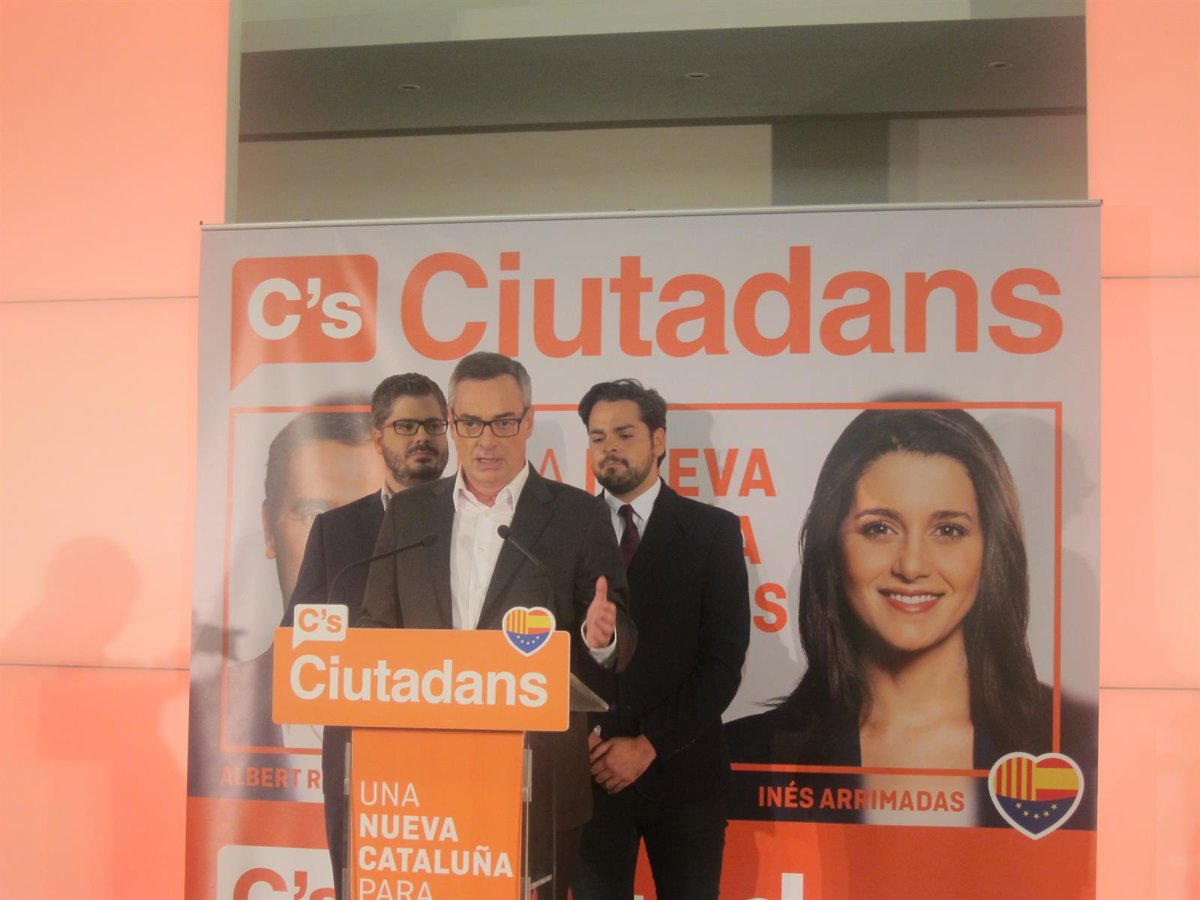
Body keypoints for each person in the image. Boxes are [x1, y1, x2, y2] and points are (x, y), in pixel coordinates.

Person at [359, 352, 636, 900]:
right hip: (424, 776)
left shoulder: (577, 515)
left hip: (538, 777)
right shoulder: (409, 514)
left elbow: (620, 629)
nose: (487, 440)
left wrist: (601, 637)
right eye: (471, 423)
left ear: (528, 422)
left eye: (504, 422)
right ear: (453, 425)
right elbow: (376, 623)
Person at [725, 407, 1065, 770]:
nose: (912, 566)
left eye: (948, 530)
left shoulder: (1071, 737)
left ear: (992, 549)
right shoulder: (745, 754)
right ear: (834, 548)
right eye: (880, 529)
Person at [572, 379, 749, 900]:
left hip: (685, 776)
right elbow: (544, 646)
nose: (609, 447)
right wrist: (574, 739)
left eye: (624, 434)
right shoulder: (564, 532)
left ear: (659, 440)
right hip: (588, 774)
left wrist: (648, 745)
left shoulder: (713, 532)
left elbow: (723, 663)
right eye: (598, 436)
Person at [281, 373, 451, 900]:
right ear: (378, 438)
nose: (422, 437)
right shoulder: (336, 531)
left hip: (460, 752)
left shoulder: (483, 523)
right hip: (363, 755)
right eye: (406, 426)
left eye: (434, 425)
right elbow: (298, 636)